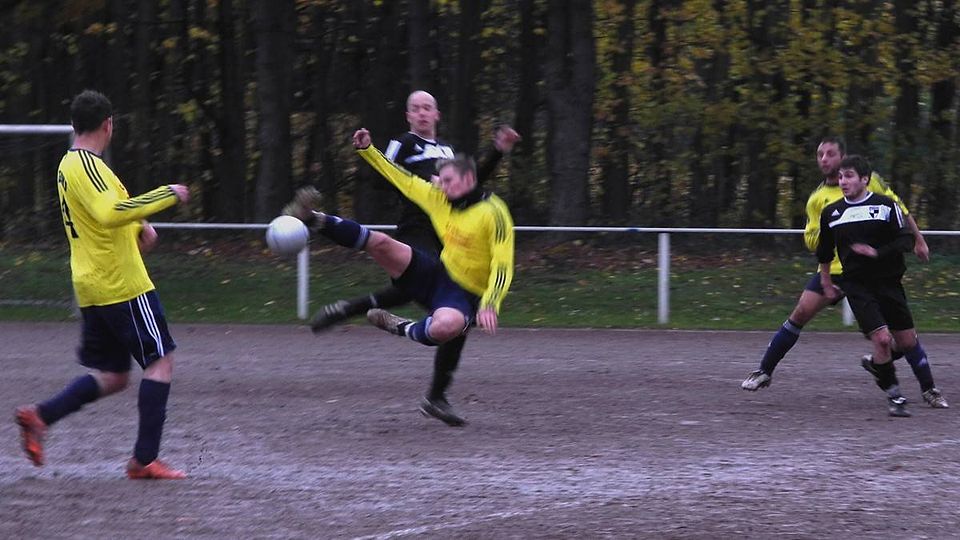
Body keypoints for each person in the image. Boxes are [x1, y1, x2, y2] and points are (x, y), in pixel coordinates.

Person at [308, 90, 519, 426]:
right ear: (408, 115)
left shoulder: (489, 208)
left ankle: (403, 334)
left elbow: (503, 264)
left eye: (427, 107)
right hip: (421, 236)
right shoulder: (418, 165)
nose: (439, 185)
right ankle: (315, 220)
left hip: (458, 272)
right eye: (415, 108)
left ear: (437, 113)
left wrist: (490, 302)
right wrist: (368, 150)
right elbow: (398, 178)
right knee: (382, 244)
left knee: (448, 325)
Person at [14, 90, 191, 479]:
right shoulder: (87, 165)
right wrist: (166, 195)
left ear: (74, 123)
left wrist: (140, 225)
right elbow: (110, 213)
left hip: (92, 285)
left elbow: (105, 210)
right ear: (108, 124)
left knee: (113, 375)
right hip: (121, 284)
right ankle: (144, 460)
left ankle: (41, 416)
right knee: (160, 361)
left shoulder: (71, 166)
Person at [740, 136, 944, 409]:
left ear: (843, 158)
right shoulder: (817, 200)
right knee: (799, 314)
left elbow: (900, 210)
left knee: (901, 336)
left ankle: (917, 383)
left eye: (830, 154)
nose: (824, 159)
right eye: (820, 154)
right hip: (835, 271)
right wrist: (830, 237)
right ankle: (764, 371)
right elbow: (814, 240)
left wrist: (919, 240)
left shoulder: (870, 182)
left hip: (870, 274)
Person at [817, 155, 946, 416]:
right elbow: (824, 252)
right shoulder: (831, 213)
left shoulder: (886, 206)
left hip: (889, 283)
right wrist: (826, 282)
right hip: (857, 285)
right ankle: (895, 397)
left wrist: (877, 253)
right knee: (882, 339)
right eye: (840, 177)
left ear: (865, 179)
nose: (843, 181)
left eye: (849, 176)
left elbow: (905, 240)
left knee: (907, 341)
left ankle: (927, 388)